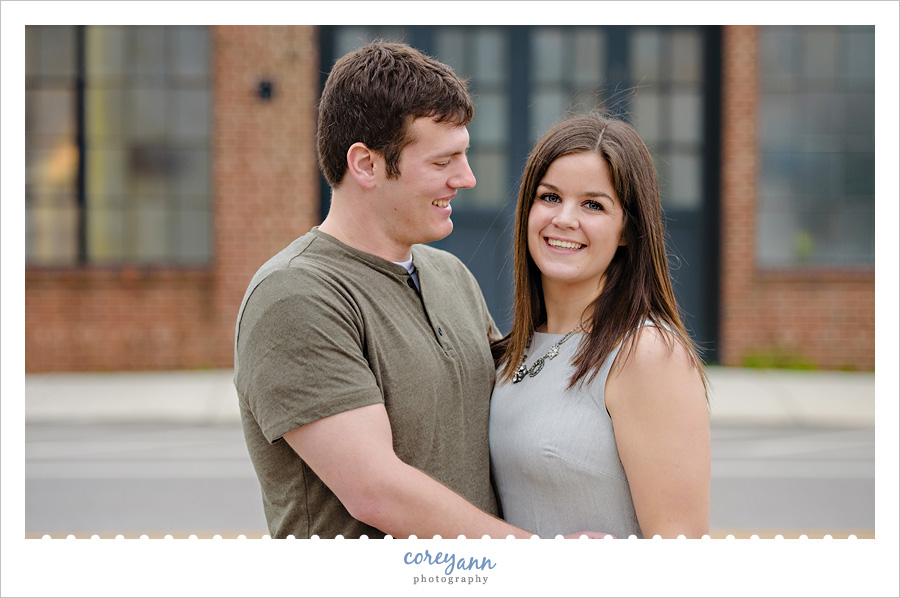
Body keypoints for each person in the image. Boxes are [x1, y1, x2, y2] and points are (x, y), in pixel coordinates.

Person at [233, 41, 601, 540]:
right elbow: (376, 491)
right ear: (365, 164)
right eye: (443, 161)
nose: (466, 178)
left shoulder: (450, 275)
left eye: (464, 156)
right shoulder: (295, 296)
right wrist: (539, 559)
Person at [490, 112, 711, 539]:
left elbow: (682, 547)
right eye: (549, 197)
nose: (565, 219)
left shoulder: (645, 352)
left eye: (593, 204)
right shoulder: (511, 352)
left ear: (627, 228)